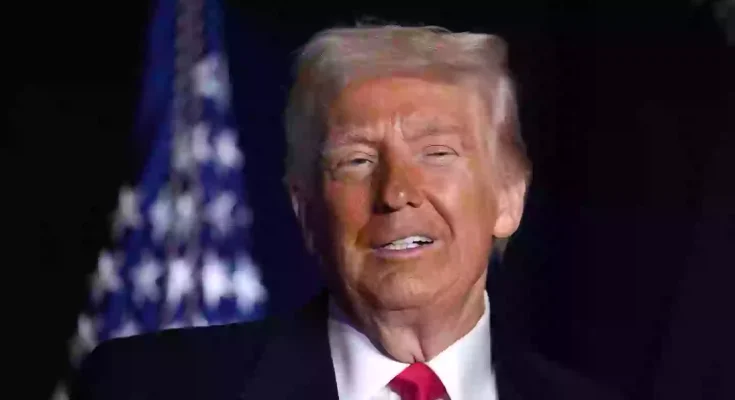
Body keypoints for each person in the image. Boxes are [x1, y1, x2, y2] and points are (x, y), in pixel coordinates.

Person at [70, 24, 624, 400]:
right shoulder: (148, 386)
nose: (396, 192)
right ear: (306, 210)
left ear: (507, 198)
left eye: (437, 153)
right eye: (357, 160)